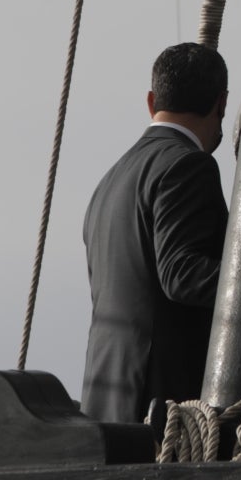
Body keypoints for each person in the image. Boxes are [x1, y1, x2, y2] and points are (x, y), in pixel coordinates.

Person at [81, 42, 230, 423]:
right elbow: (182, 276)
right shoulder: (189, 166)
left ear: (152, 101)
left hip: (105, 403)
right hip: (163, 406)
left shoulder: (108, 182)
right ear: (221, 104)